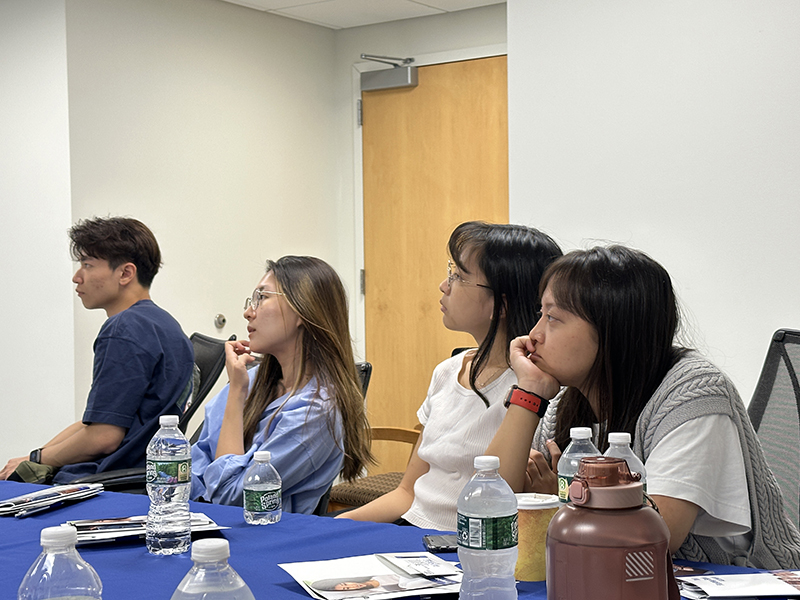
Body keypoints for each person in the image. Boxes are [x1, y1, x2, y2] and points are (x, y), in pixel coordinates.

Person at [487, 245, 800, 569]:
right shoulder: (569, 403)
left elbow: (655, 538)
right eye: (541, 314)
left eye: (552, 318)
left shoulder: (693, 393)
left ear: (611, 329)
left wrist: (565, 501)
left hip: (743, 584)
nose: (534, 334)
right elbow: (490, 501)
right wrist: (530, 392)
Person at [340, 221, 562, 530]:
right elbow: (407, 493)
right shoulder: (447, 372)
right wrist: (332, 528)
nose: (444, 286)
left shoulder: (535, 388)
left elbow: (496, 505)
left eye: (457, 276)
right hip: (411, 532)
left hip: (468, 546)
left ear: (501, 305)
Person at [0, 216, 194, 484]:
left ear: (125, 273)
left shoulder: (124, 330)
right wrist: (35, 456)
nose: (77, 277)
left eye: (88, 265)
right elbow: (93, 423)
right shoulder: (163, 324)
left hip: (104, 483)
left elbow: (103, 438)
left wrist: (36, 461)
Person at [191, 256, 373, 514]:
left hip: (261, 540)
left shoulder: (316, 411)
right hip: (203, 522)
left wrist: (236, 393)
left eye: (262, 298)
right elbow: (193, 460)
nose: (248, 312)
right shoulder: (252, 379)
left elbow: (231, 499)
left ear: (302, 309)